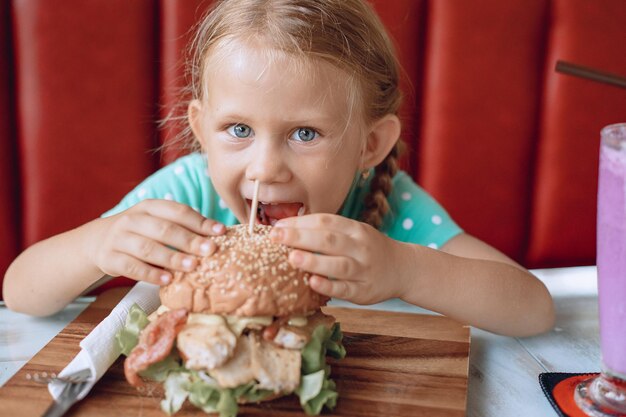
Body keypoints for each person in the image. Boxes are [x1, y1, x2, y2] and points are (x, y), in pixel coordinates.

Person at [3, 0, 554, 336]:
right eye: (238, 130)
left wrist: (405, 270)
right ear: (200, 128)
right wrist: (98, 244)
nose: (265, 168)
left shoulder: (388, 208)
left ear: (371, 144)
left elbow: (532, 308)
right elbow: (21, 293)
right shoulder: (186, 194)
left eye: (305, 133)